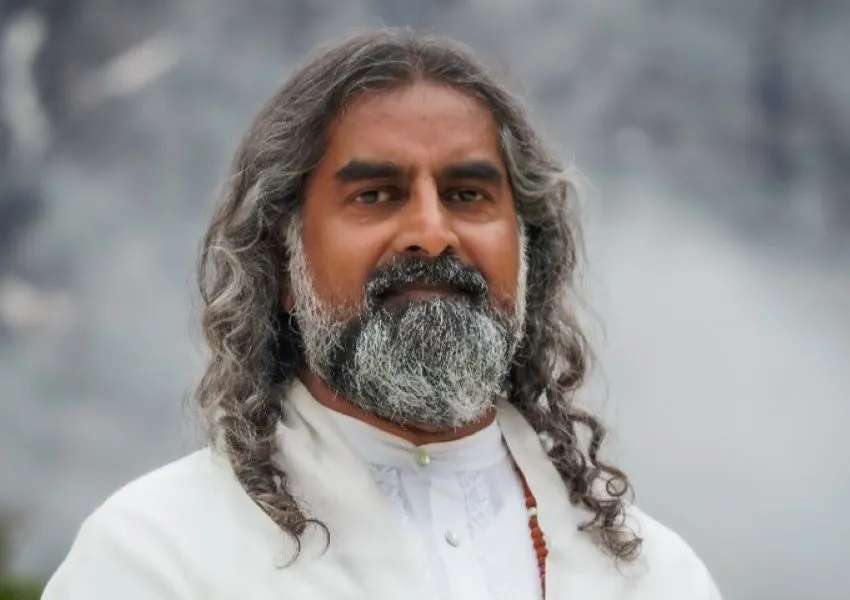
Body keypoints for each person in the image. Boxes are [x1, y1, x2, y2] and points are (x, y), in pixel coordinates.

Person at [42, 29, 722, 600]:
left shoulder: (653, 576)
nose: (431, 233)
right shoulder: (156, 557)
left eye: (467, 193)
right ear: (281, 263)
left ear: (527, 255)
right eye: (375, 195)